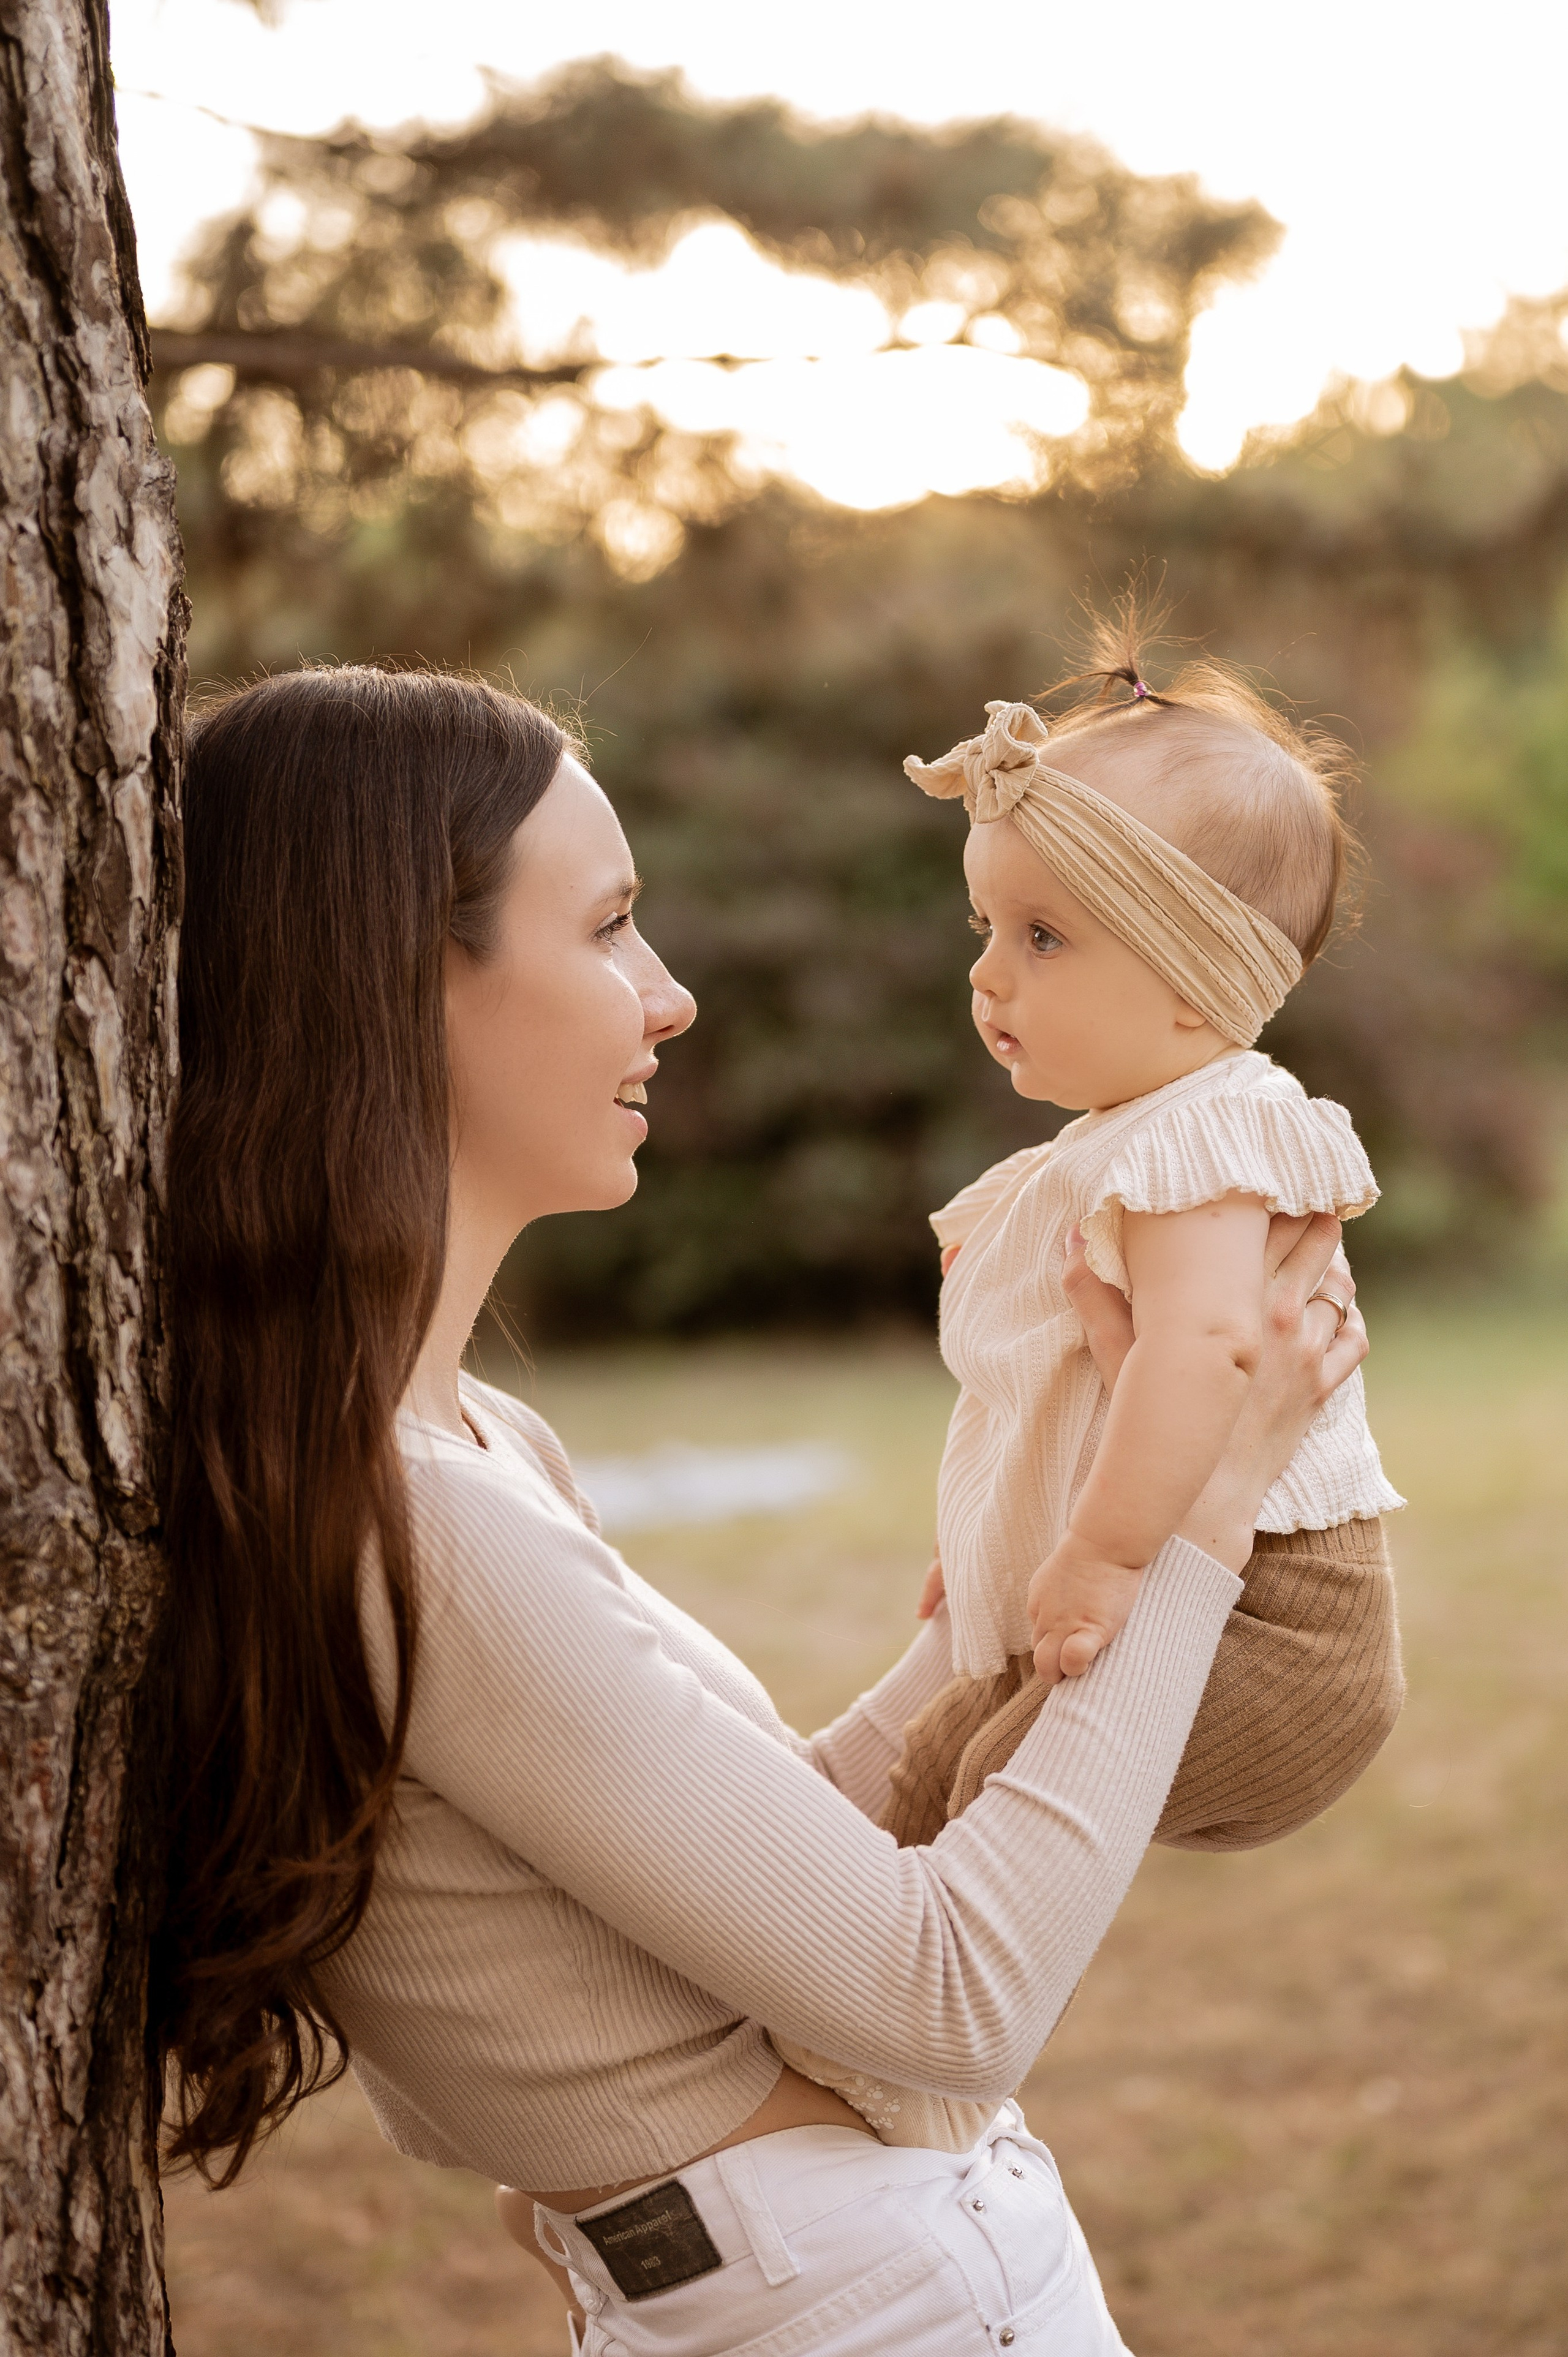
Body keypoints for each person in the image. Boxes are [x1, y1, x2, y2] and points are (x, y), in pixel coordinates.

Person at [153, 663, 1371, 2356]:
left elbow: (733, 1863)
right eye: (608, 929)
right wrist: (1200, 1523)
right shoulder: (411, 1519)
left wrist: (954, 1654)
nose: (670, 997)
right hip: (857, 2304)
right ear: (391, 978)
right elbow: (950, 1998)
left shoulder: (470, 1447)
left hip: (844, 2272)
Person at [778, 648, 1404, 2152]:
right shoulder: (1127, 1139)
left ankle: (876, 2067)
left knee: (969, 1793)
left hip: (1275, 1631)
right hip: (1186, 1601)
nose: (986, 975)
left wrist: (1102, 1551)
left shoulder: (1212, 1135)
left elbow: (1205, 1356)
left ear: (1193, 982)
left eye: (1042, 936)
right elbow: (1062, 1392)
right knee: (923, 1766)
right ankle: (794, 1993)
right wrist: (1000, 1546)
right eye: (985, 928)